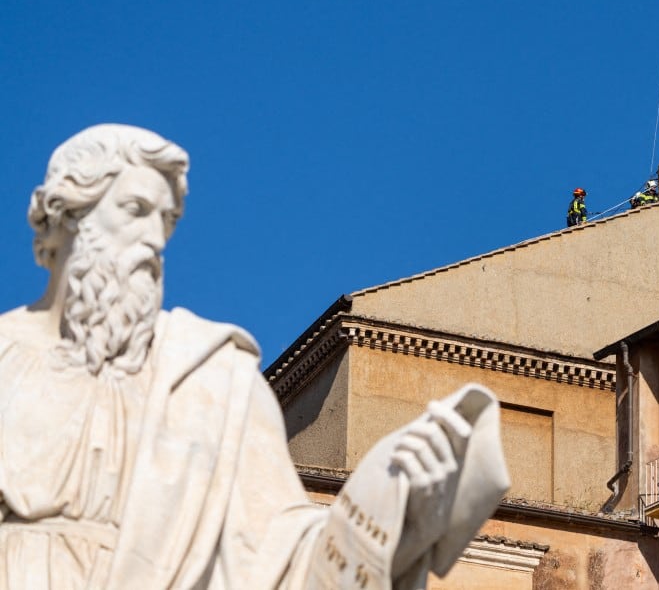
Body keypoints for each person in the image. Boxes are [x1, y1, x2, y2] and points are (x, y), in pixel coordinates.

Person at [0, 125, 508, 589]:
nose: (154, 239)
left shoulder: (214, 380)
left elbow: (282, 559)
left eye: (167, 220)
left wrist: (382, 506)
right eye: (135, 210)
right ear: (67, 212)